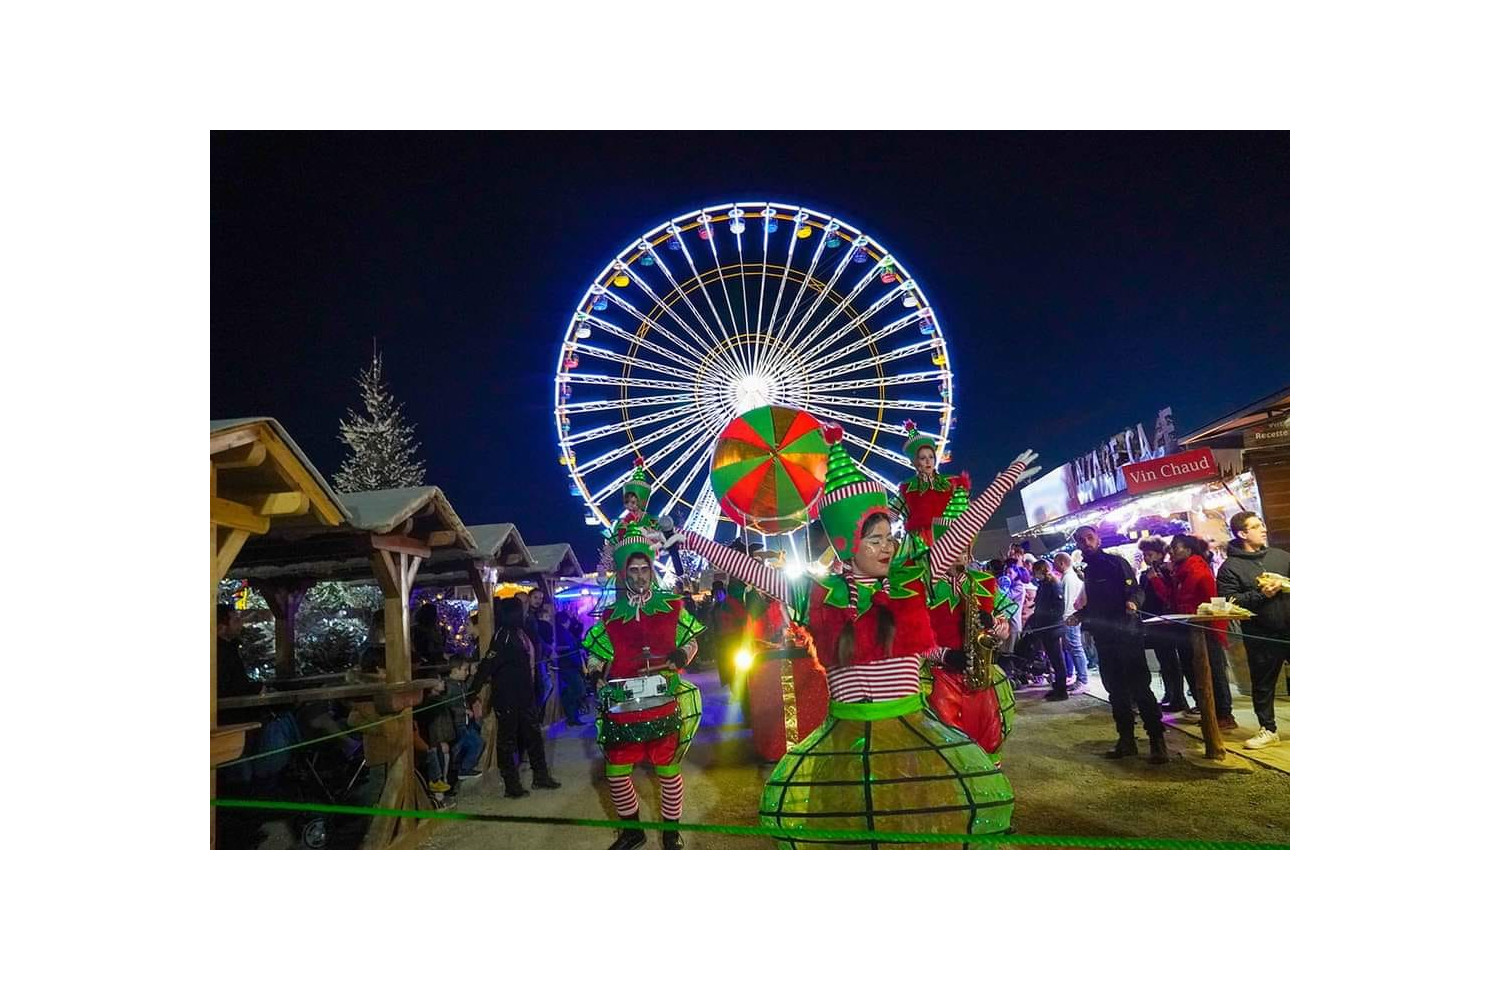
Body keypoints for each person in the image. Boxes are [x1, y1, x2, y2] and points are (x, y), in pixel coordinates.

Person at [683, 425, 1038, 847]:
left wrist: (1006, 478)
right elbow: (754, 571)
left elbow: (961, 529)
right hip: (844, 744)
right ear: (848, 543)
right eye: (876, 539)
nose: (888, 547)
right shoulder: (816, 596)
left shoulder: (913, 583)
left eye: (890, 537)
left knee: (914, 824)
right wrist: (688, 539)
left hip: (914, 735)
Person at [582, 525, 704, 850]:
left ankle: (669, 833)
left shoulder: (672, 607)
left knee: (668, 772)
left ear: (652, 570)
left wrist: (681, 655)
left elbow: (692, 642)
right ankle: (633, 831)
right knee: (617, 773)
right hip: (623, 705)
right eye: (633, 570)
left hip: (663, 702)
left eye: (644, 569)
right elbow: (595, 655)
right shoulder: (609, 617)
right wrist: (595, 674)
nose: (639, 575)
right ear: (624, 573)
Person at [923, 483, 1010, 766]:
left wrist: (994, 625)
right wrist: (944, 655)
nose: (960, 550)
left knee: (987, 736)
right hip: (938, 678)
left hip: (981, 676)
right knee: (946, 746)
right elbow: (910, 639)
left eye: (965, 543)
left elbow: (1005, 626)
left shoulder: (985, 582)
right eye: (953, 544)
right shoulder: (925, 587)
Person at [1068, 526, 1169, 764]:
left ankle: (1157, 740)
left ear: (1098, 539)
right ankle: (1126, 740)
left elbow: (1135, 590)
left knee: (1140, 688)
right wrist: (1080, 616)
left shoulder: (1116, 563)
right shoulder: (1088, 570)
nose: (1087, 543)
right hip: (1105, 638)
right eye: (1082, 540)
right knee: (1115, 690)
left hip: (1127, 635)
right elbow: (1096, 605)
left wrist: (1132, 602)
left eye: (1090, 538)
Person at [470, 597, 562, 799]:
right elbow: (488, 663)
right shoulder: (502, 636)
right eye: (520, 610)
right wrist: (473, 691)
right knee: (507, 741)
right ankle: (511, 785)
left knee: (534, 737)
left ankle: (541, 776)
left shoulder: (519, 633)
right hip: (508, 697)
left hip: (525, 695)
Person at [1217, 512, 1290, 750]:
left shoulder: (1281, 557)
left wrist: (1285, 584)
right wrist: (1262, 594)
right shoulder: (1231, 567)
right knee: (1263, 683)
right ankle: (1268, 729)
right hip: (1261, 633)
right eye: (1257, 526)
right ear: (1242, 533)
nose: (1264, 529)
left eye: (1262, 524)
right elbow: (1229, 600)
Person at [1168, 534, 1236, 730]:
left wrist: (1213, 622)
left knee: (1213, 670)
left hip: (1205, 628)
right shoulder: (1180, 572)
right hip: (1187, 628)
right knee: (1194, 669)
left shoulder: (1197, 569)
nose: (1172, 552)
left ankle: (1224, 713)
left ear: (1188, 550)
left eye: (1176, 547)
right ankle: (1208, 710)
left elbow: (1212, 597)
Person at [897, 419, 969, 546]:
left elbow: (962, 509)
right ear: (916, 463)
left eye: (931, 457)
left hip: (947, 537)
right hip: (920, 542)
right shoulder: (908, 488)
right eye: (923, 458)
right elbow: (892, 511)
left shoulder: (951, 482)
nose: (928, 461)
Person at [1138, 538, 1189, 711]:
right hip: (1151, 621)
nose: (1146, 557)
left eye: (1150, 554)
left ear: (1160, 554)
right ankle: (1170, 693)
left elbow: (1167, 596)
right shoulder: (1145, 574)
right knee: (1164, 660)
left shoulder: (1166, 572)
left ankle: (1178, 697)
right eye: (1144, 554)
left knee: (1170, 660)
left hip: (1165, 622)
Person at [1029, 559, 1070, 700]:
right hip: (1044, 627)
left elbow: (1059, 608)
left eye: (1036, 572)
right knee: (1052, 660)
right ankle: (1056, 687)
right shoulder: (1044, 585)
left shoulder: (1054, 584)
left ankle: (1062, 690)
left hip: (1052, 627)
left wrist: (1045, 618)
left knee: (1057, 660)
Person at [1051, 553, 1090, 689]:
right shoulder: (1069, 577)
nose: (1053, 566)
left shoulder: (1068, 578)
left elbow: (1066, 602)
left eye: (1055, 563)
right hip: (1071, 617)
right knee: (1073, 648)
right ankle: (1079, 678)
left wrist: (1065, 619)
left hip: (1070, 618)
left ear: (1062, 562)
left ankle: (1083, 680)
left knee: (1076, 648)